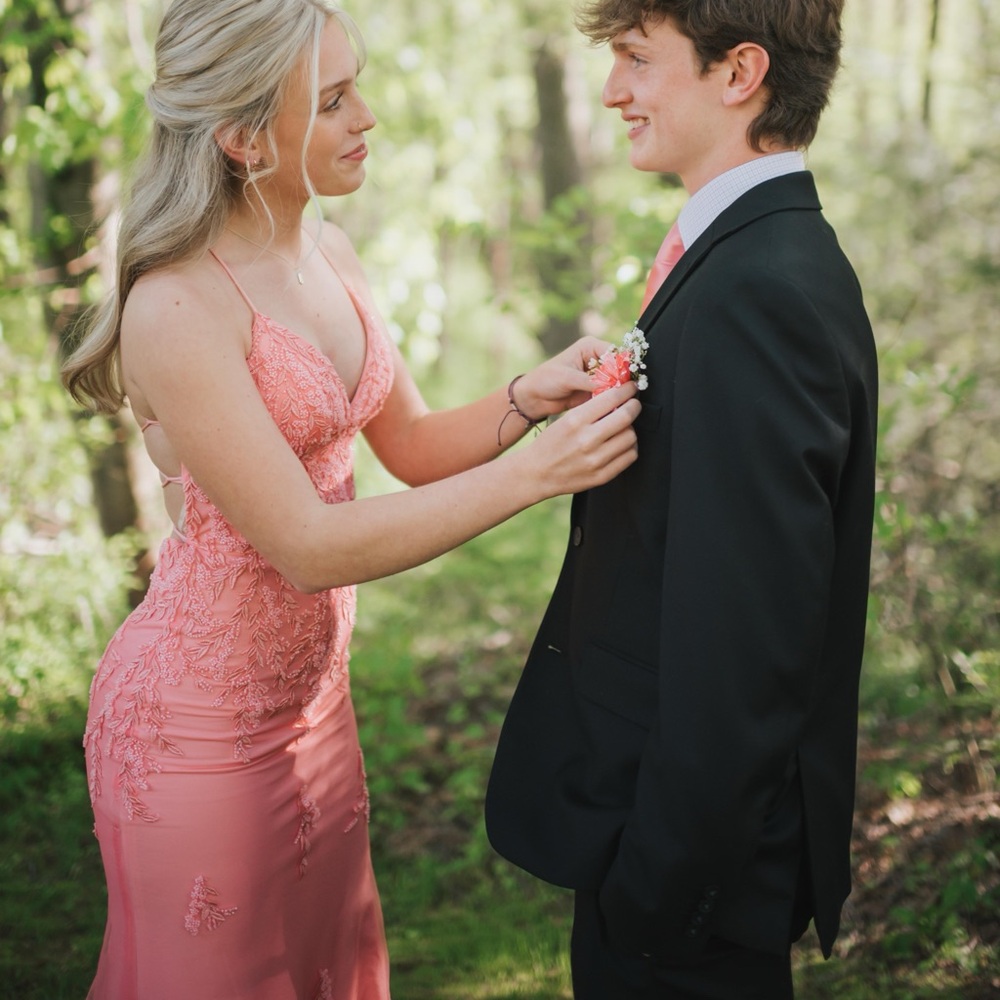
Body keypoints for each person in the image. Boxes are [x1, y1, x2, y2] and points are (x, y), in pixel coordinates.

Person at [60, 1, 640, 997]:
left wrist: (527, 399)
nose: (366, 116)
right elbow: (307, 545)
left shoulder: (328, 253)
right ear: (244, 137)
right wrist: (537, 475)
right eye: (331, 102)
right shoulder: (176, 305)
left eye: (356, 86)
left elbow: (408, 448)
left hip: (319, 714)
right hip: (200, 734)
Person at [485, 1, 878, 997]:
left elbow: (745, 642)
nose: (613, 90)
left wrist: (662, 890)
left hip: (685, 875)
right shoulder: (741, 254)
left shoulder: (761, 287)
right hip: (657, 833)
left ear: (738, 72)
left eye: (635, 59)